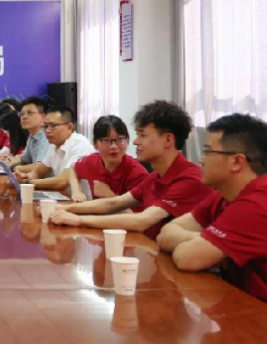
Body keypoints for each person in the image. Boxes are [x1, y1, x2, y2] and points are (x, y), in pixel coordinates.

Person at [157, 113, 267, 326]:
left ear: (237, 161)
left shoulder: (256, 206)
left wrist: (207, 244)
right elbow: (165, 233)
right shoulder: (224, 195)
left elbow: (186, 258)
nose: (201, 159)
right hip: (265, 317)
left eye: (208, 151)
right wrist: (208, 242)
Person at [46, 100, 212, 240]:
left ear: (168, 140)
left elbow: (140, 221)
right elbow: (113, 203)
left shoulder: (189, 179)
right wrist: (64, 209)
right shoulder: (156, 177)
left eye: (142, 135)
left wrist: (79, 220)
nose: (135, 142)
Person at [64, 115, 149, 202]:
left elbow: (140, 211)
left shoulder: (137, 174)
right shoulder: (93, 161)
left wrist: (109, 195)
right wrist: (76, 191)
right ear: (95, 144)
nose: (114, 146)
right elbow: (72, 168)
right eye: (106, 140)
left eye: (120, 139)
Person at [16, 106, 95, 188]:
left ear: (69, 127)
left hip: (82, 196)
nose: (47, 130)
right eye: (45, 126)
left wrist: (27, 182)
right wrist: (24, 176)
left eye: (53, 125)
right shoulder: (54, 146)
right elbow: (37, 172)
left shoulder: (80, 145)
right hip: (64, 195)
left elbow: (62, 182)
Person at [6, 97, 50, 170]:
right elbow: (24, 159)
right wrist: (9, 161)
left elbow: (40, 167)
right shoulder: (32, 136)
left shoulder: (47, 136)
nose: (24, 117)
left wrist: (14, 167)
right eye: (22, 114)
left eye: (30, 113)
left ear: (43, 117)